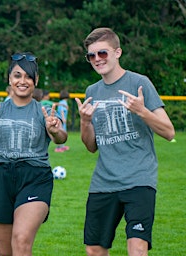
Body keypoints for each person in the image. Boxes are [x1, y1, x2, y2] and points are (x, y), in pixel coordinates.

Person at [76, 27, 175, 256]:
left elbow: (169, 132)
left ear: (117, 52)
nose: (97, 59)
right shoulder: (92, 91)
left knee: (137, 248)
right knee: (93, 249)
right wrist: (84, 123)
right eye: (91, 56)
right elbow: (91, 146)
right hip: (104, 181)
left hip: (139, 179)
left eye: (102, 53)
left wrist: (143, 111)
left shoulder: (140, 83)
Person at [0, 52, 68, 255]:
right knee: (5, 252)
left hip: (35, 177)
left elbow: (61, 137)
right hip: (1, 177)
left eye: (28, 76)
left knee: (21, 239)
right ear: (10, 79)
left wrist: (55, 131)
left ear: (36, 80)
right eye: (17, 75)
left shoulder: (44, 110)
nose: (22, 81)